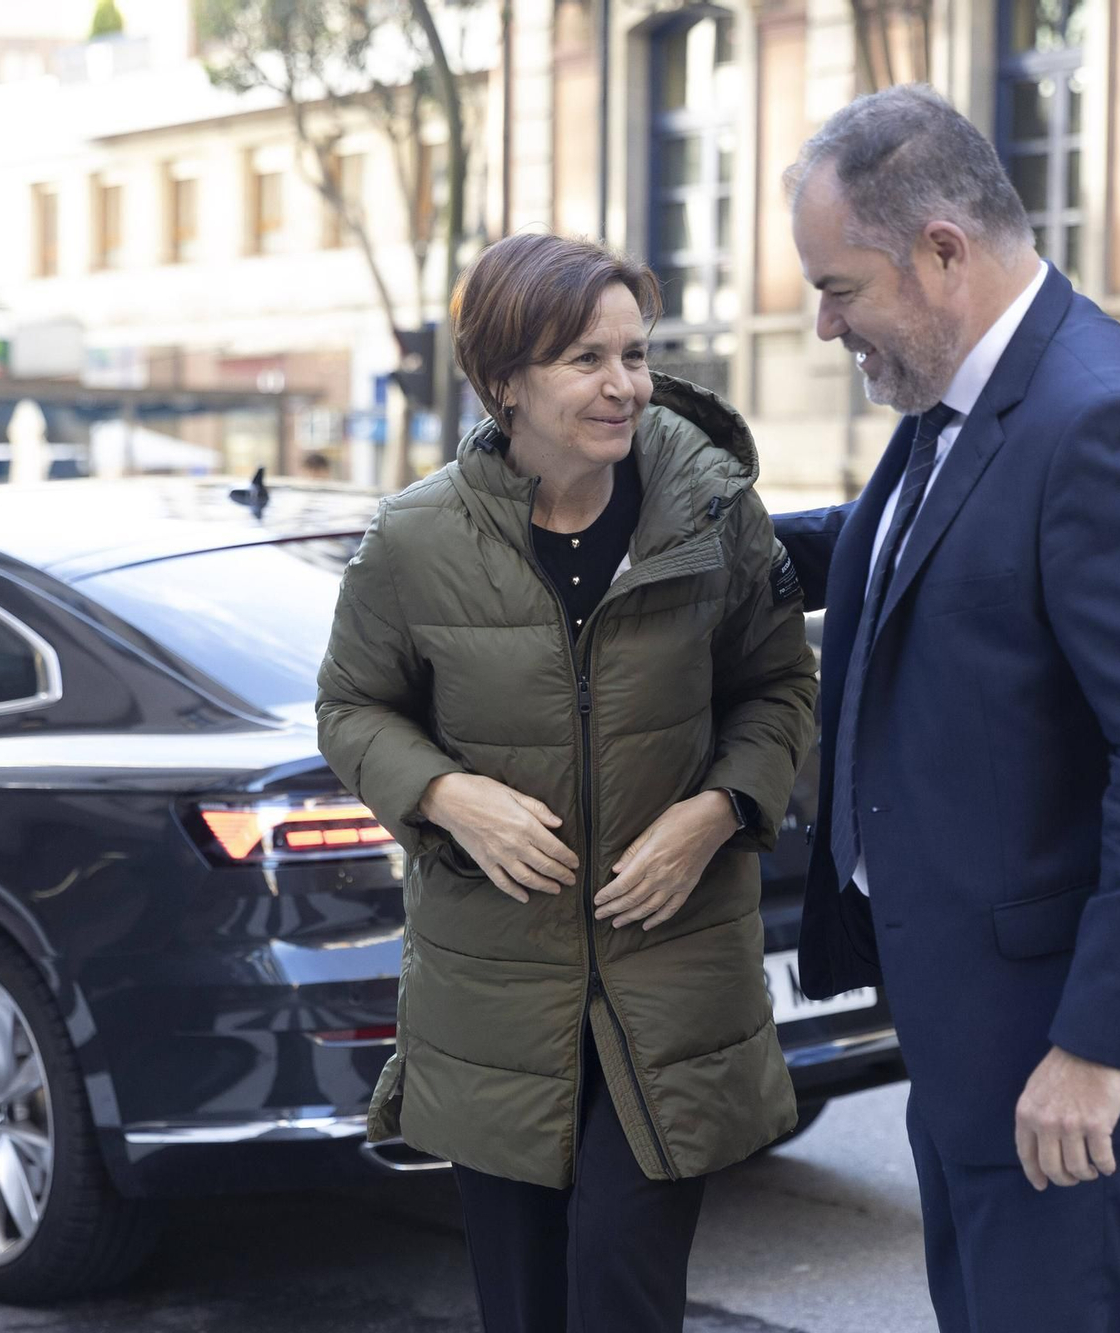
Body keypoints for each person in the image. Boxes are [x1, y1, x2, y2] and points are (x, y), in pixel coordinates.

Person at [771, 86, 1120, 1333]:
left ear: (942, 251)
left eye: (837, 286)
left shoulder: (1101, 419)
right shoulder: (965, 391)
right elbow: (897, 544)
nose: (823, 322)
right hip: (978, 1033)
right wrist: (696, 538)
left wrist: (1094, 1049)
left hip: (1062, 1062)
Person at [315, 231, 818, 1333]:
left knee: (619, 1292)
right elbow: (348, 709)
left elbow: (781, 688)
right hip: (495, 991)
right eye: (585, 358)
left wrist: (718, 809)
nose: (623, 384)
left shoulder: (711, 513)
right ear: (504, 382)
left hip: (673, 981)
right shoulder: (413, 540)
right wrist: (448, 796)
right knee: (526, 1305)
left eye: (634, 355)